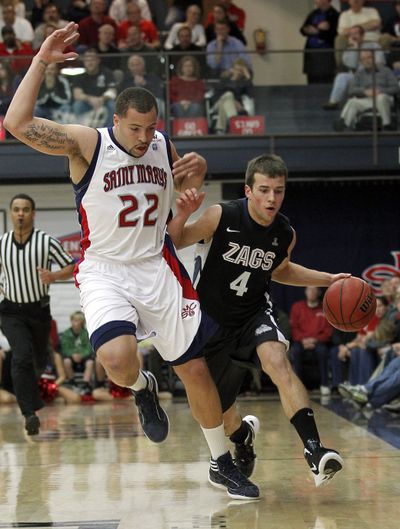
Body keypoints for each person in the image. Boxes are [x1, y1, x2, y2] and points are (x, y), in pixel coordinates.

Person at [3, 23, 259, 500]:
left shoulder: (160, 144)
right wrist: (40, 60)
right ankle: (142, 386)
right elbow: (17, 125)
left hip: (156, 264)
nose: (144, 137)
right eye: (135, 129)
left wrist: (196, 173)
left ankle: (220, 463)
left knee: (195, 370)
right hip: (104, 269)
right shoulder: (87, 143)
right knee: (118, 361)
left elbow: (182, 185)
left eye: (151, 127)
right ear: (116, 121)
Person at [167, 153, 348, 487]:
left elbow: (281, 270)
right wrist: (182, 214)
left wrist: (328, 279)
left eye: (278, 191)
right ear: (248, 190)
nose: (272, 198)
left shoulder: (284, 232)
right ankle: (242, 437)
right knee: (221, 411)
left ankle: (314, 450)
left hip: (253, 313)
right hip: (211, 322)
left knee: (278, 362)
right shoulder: (221, 215)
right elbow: (175, 240)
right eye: (264, 190)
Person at [0, 194, 75, 435]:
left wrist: (53, 276)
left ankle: (31, 401)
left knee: (39, 361)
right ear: (11, 213)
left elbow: (71, 266)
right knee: (21, 357)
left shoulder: (46, 241)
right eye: (16, 209)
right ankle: (29, 413)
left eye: (25, 209)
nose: (20, 213)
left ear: (33, 214)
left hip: (39, 311)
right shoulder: (2, 242)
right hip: (11, 311)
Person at [322, 25, 385, 110]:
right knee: (341, 76)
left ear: (362, 35)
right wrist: (355, 49)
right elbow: (352, 65)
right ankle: (333, 102)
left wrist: (368, 65)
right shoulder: (349, 49)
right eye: (351, 34)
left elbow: (380, 62)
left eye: (356, 33)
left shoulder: (374, 45)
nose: (353, 36)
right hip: (356, 76)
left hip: (372, 75)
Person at [334, 49, 399, 131]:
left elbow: (395, 88)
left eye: (369, 58)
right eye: (364, 59)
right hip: (368, 99)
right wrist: (364, 91)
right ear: (361, 62)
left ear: (374, 58)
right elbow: (351, 90)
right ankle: (344, 124)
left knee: (380, 98)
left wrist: (380, 91)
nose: (367, 61)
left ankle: (387, 124)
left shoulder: (386, 71)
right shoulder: (359, 73)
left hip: (385, 98)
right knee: (353, 102)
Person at [300, 0, 339, 84]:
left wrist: (318, 32)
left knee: (326, 81)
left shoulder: (334, 14)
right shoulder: (313, 13)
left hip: (326, 53)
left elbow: (334, 33)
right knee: (312, 80)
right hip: (311, 53)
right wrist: (317, 28)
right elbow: (303, 29)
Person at [60, 310, 94, 394]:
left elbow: (89, 347)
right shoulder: (66, 333)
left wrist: (81, 355)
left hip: (84, 357)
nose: (75, 323)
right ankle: (72, 382)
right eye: (74, 320)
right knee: (66, 361)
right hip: (71, 357)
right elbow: (65, 348)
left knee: (90, 362)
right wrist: (72, 354)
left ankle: (86, 385)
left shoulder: (86, 333)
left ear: (82, 322)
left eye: (78, 320)